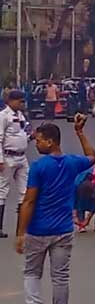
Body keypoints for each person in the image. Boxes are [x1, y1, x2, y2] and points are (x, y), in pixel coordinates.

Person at [16, 115, 95, 304]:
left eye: (40, 140)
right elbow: (92, 157)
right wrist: (80, 132)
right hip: (63, 230)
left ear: (50, 142)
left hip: (38, 230)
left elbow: (29, 201)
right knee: (60, 277)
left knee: (32, 273)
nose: (36, 144)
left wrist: (21, 233)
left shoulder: (38, 167)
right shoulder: (72, 162)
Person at [0, 89, 30, 238]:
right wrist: (0, 160)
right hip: (7, 157)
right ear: (10, 101)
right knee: (2, 191)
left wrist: (32, 136)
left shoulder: (21, 115)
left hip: (21, 157)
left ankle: (21, 228)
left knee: (25, 192)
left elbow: (23, 133)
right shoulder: (3, 116)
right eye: (20, 101)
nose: (22, 103)